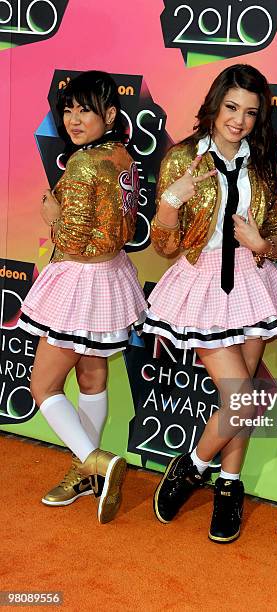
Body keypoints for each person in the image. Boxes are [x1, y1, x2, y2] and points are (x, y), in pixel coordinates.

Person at [144, 64, 277, 543]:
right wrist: (171, 200)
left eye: (250, 112)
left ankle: (225, 483)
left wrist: (262, 243)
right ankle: (194, 468)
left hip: (251, 281)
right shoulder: (184, 157)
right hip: (202, 283)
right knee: (244, 397)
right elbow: (164, 247)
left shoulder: (264, 164)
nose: (238, 120)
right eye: (231, 108)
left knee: (244, 396)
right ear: (215, 104)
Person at [19, 71, 147, 524]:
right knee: (92, 381)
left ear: (110, 114)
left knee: (43, 387)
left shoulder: (83, 164)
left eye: (85, 109)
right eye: (68, 109)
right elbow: (126, 228)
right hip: (111, 275)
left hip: (78, 279)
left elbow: (71, 240)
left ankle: (94, 459)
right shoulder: (122, 156)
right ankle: (87, 473)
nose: (74, 119)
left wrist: (54, 215)